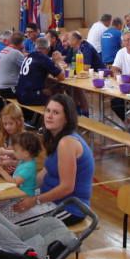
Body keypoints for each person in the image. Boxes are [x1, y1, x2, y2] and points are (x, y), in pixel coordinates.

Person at [12, 94, 93, 225]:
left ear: (66, 118)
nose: (49, 116)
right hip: (51, 199)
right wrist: (22, 187)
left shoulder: (67, 143)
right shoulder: (55, 138)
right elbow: (45, 172)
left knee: (11, 223)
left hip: (69, 207)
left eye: (56, 113)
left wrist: (34, 200)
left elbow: (67, 188)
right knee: (8, 207)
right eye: (48, 111)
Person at [16, 38, 65, 106]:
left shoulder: (29, 56)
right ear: (48, 49)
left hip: (19, 93)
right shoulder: (43, 58)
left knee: (50, 88)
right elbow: (62, 77)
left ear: (36, 47)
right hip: (28, 97)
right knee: (58, 92)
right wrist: (58, 61)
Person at [0, 132, 40, 196]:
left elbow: (14, 183)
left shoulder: (29, 168)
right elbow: (19, 162)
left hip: (24, 196)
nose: (14, 152)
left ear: (26, 153)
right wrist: (6, 156)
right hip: (18, 192)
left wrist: (2, 172)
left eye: (15, 150)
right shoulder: (26, 159)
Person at [0, 103, 25, 173]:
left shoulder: (23, 138)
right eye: (5, 124)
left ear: (19, 122)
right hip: (11, 169)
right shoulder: (8, 136)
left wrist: (5, 152)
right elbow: (10, 155)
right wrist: (1, 156)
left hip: (21, 171)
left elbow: (21, 155)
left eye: (11, 123)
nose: (7, 127)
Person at [0, 32, 25, 99]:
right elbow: (28, 68)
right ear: (21, 43)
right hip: (8, 89)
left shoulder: (3, 50)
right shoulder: (16, 53)